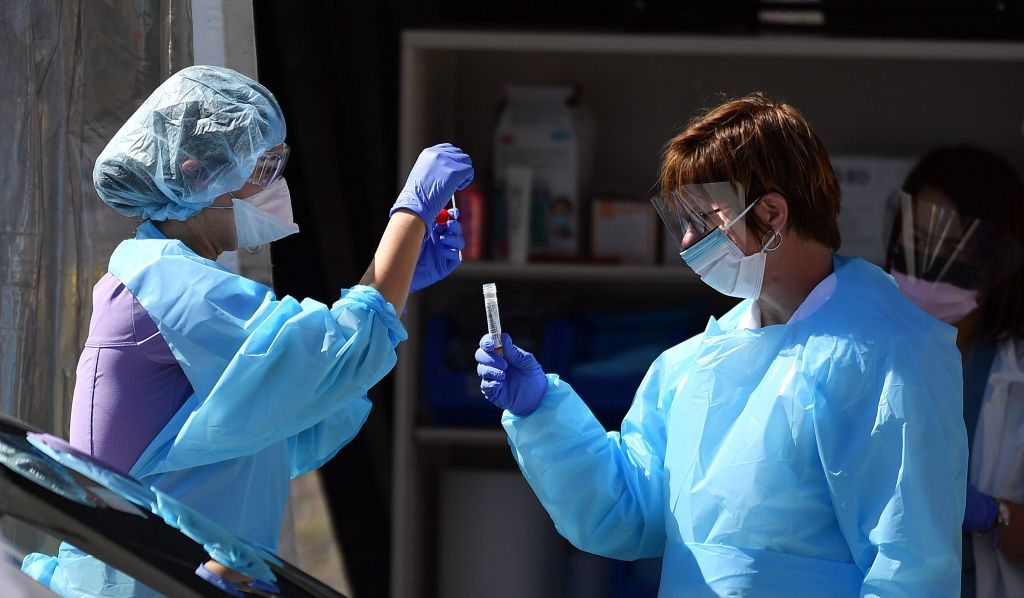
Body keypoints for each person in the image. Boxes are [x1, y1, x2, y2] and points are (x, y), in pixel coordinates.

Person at [475, 93, 967, 596]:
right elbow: (626, 513)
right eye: (682, 222)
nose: (688, 242)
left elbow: (912, 567)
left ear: (772, 214)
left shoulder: (888, 354)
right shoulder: (695, 364)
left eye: (703, 220)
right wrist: (542, 413)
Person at [24, 65, 473, 596]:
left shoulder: (171, 275)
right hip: (144, 580)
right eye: (263, 167)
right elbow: (326, 359)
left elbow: (294, 416)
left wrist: (397, 280)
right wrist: (409, 217)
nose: (275, 186)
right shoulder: (161, 279)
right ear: (195, 172)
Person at [885, 146, 1024, 597]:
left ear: (998, 264)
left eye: (952, 251)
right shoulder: (864, 350)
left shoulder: (1011, 375)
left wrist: (987, 514)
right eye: (917, 242)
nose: (929, 266)